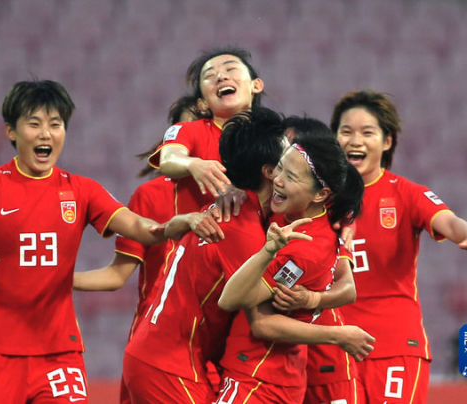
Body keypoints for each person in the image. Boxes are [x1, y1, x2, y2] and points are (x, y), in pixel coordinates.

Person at [0, 80, 221, 403]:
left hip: (60, 352)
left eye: (55, 125)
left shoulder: (81, 190)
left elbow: (139, 227)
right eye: (34, 124)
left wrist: (174, 225)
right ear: (11, 132)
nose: (46, 134)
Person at [123, 107, 374, 404]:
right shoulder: (245, 228)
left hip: (177, 359)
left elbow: (346, 284)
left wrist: (313, 299)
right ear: (269, 171)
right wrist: (338, 334)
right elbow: (260, 320)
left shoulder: (253, 212)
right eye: (283, 163)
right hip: (168, 364)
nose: (285, 169)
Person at [279, 89, 467, 403]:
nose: (355, 140)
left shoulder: (405, 193)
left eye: (367, 132)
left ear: (387, 142)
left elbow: (449, 221)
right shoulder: (316, 198)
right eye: (346, 132)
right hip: (330, 349)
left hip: (393, 347)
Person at [215, 116, 372, 403]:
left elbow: (241, 308)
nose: (276, 179)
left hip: (256, 379)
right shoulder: (302, 213)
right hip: (283, 376)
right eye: (279, 168)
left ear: (321, 193)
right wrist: (233, 190)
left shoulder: (304, 248)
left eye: (291, 176)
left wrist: (335, 332)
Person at [73, 94, 202, 404]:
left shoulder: (239, 197)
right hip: (158, 343)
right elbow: (118, 275)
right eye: (189, 128)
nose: (199, 136)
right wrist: (55, 277)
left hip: (213, 343)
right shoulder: (150, 195)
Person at [272, 116, 366, 404]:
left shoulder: (330, 226)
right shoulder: (277, 206)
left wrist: (310, 300)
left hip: (326, 361)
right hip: (282, 359)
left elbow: (348, 288)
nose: (280, 173)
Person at [148, 45, 265, 218]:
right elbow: (168, 159)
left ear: (256, 85)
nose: (221, 76)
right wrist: (193, 164)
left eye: (231, 68)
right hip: (200, 240)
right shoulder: (187, 130)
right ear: (203, 103)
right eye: (209, 76)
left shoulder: (274, 136)